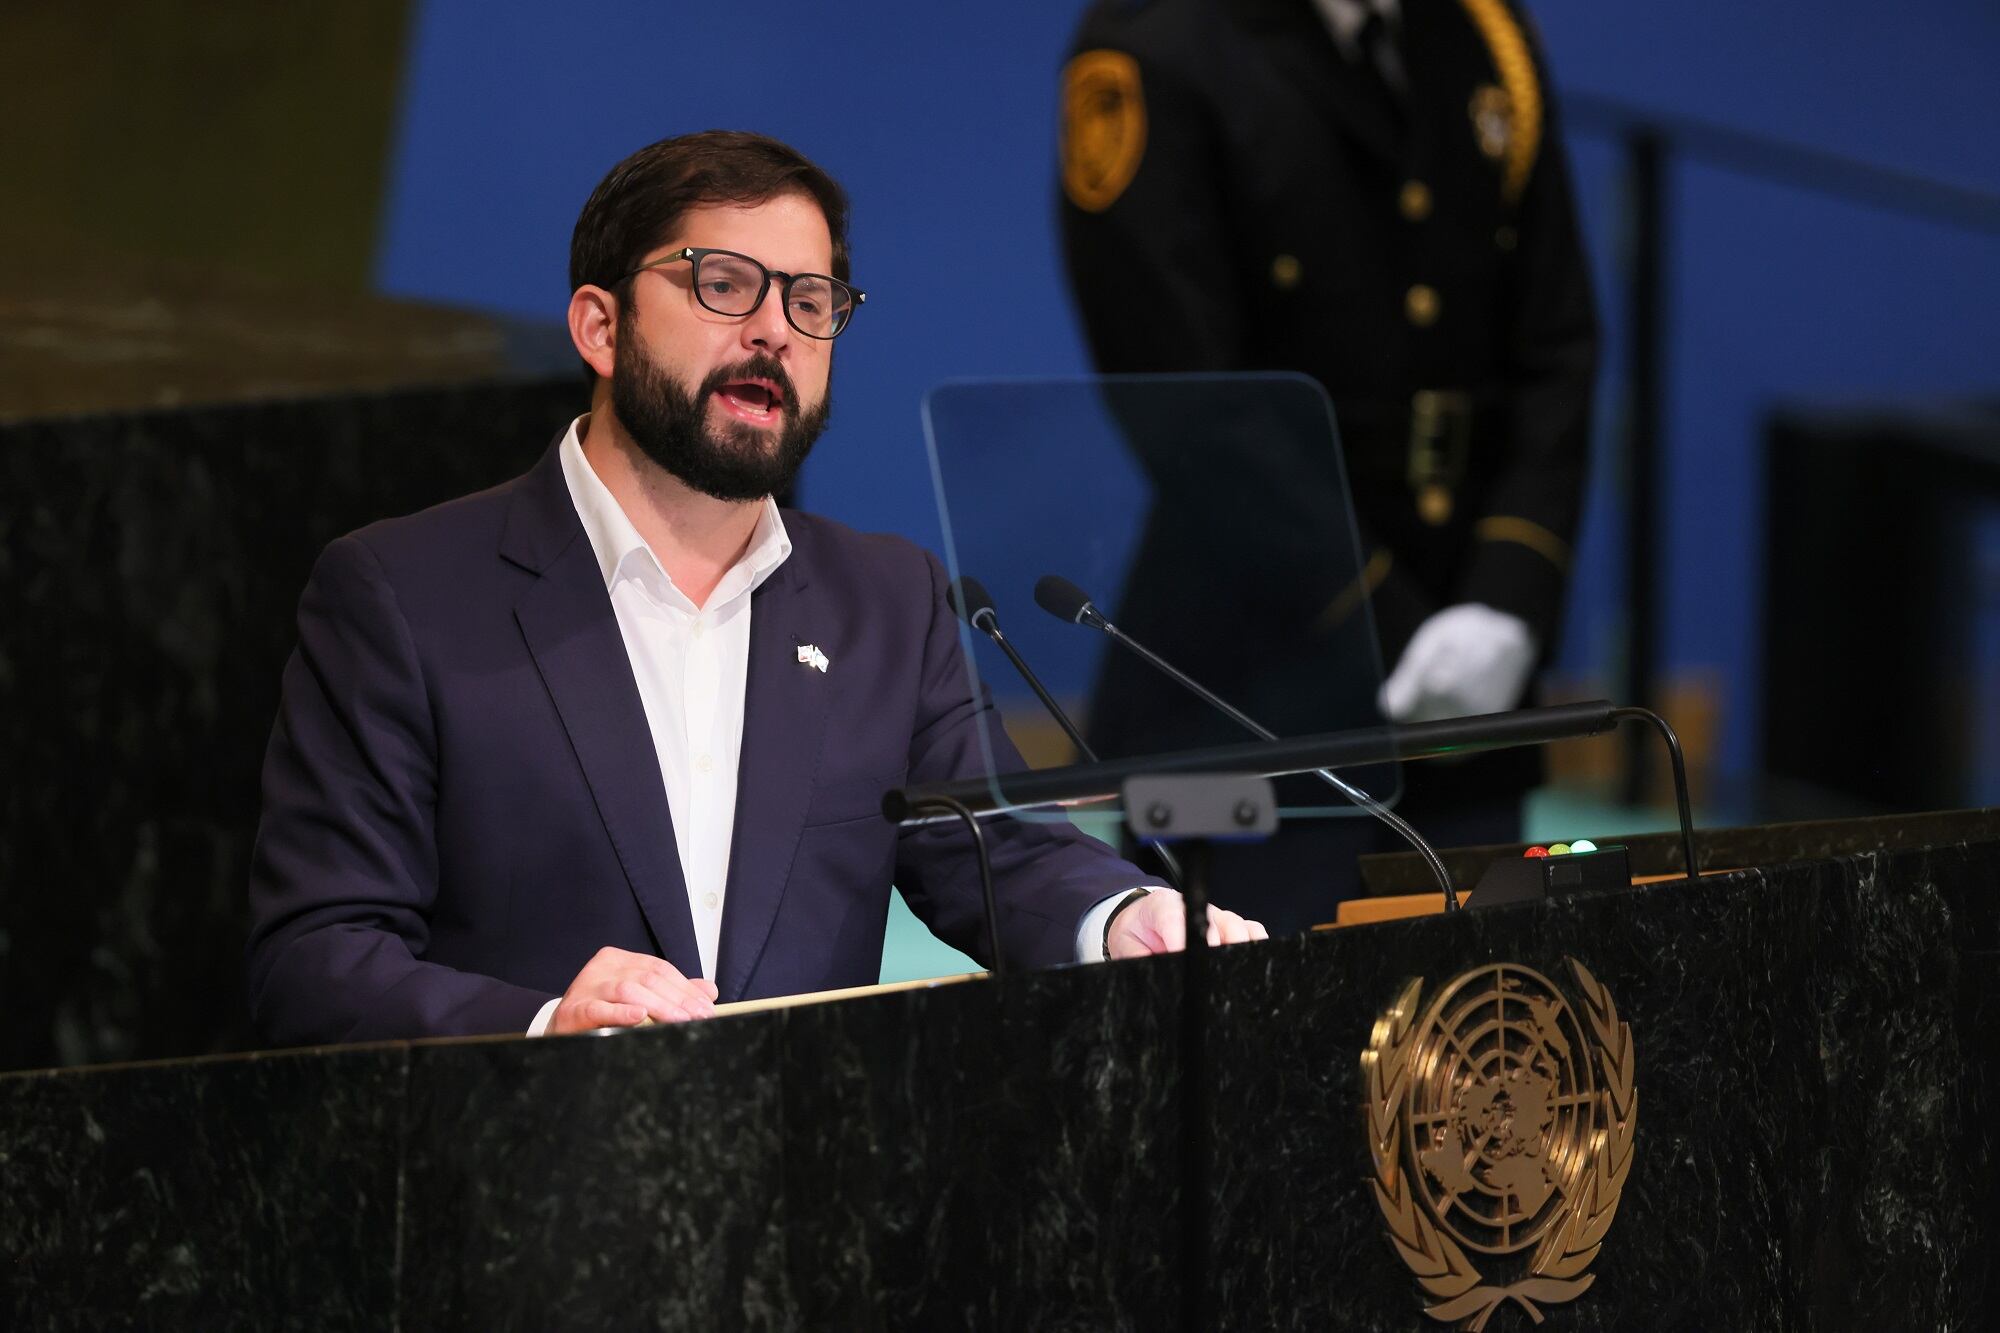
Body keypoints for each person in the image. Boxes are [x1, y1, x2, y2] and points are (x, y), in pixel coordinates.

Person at [246, 130, 1263, 1046]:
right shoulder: (404, 595)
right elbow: (317, 959)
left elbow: (996, 849)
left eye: (809, 300)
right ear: (600, 328)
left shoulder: (884, 600)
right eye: (723, 284)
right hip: (518, 1198)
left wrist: (1125, 915)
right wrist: (543, 1021)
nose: (775, 330)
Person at [1059, 0, 1598, 930]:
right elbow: (1190, 403)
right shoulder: (1156, 45)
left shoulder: (1482, 35)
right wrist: (1385, 619)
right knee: (1252, 1053)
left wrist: (1509, 595)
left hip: (1473, 696)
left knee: (1474, 1035)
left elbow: (1557, 345)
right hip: (1256, 697)